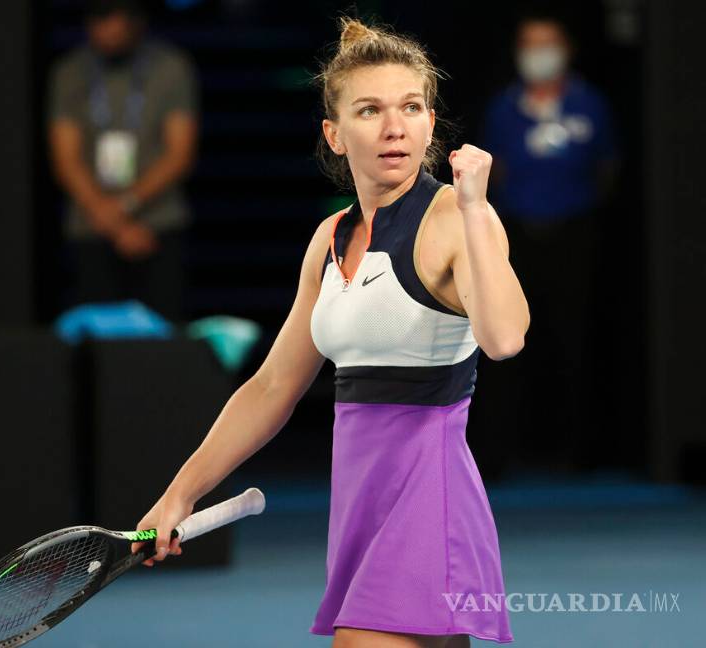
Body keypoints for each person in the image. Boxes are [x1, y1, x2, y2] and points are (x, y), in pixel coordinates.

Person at [131, 17, 528, 648]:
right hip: (360, 502)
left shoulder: (456, 219)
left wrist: (477, 208)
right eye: (370, 110)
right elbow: (272, 388)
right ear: (334, 134)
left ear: (431, 124)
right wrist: (179, 495)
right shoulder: (330, 238)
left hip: (430, 497)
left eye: (411, 108)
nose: (395, 127)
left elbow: (504, 339)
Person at [478, 11, 618, 473]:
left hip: (575, 235)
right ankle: (502, 453)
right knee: (507, 344)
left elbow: (606, 168)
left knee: (575, 341)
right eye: (530, 44)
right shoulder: (503, 109)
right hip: (516, 238)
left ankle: (581, 454)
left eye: (548, 43)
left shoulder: (589, 104)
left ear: (567, 49)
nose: (539, 54)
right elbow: (494, 172)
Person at [48, 0, 199, 321]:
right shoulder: (71, 72)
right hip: (91, 225)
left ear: (136, 20)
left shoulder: (170, 67)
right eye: (100, 17)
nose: (109, 30)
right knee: (96, 335)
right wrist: (115, 222)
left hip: (157, 223)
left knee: (160, 333)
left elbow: (179, 153)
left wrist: (125, 207)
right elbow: (66, 159)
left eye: (117, 18)